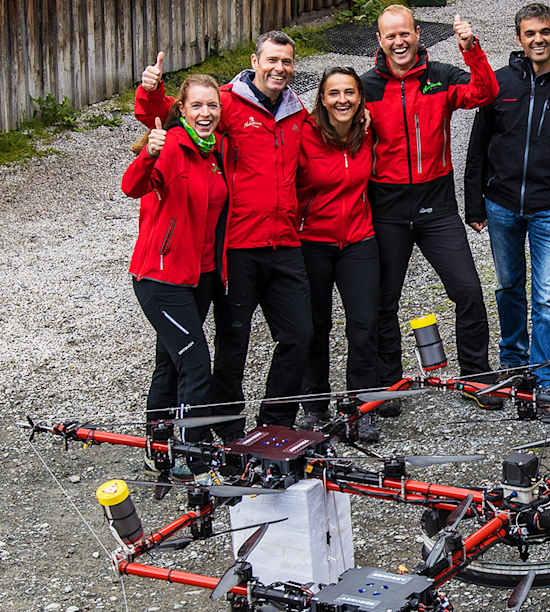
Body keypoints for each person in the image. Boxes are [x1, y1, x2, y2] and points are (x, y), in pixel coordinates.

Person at [137, 32, 313, 438]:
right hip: (237, 247)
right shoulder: (228, 101)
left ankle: (276, 424)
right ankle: (228, 427)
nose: (279, 68)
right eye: (272, 60)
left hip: (284, 242)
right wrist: (151, 91)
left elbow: (307, 161)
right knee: (234, 342)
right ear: (255, 60)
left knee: (300, 335)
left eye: (287, 61)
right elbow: (170, 114)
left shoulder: (295, 109)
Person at [464, 3, 550, 402]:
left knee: (547, 296)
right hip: (502, 204)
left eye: (544, 32)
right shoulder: (499, 83)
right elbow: (477, 147)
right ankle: (513, 362)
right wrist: (474, 204)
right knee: (509, 286)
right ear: (519, 39)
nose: (538, 40)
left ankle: (546, 377)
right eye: (530, 34)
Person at [361, 5, 499, 408]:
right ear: (380, 41)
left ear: (418, 33)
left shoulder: (439, 77)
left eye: (405, 33)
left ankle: (476, 375)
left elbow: (484, 93)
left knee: (469, 291)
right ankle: (389, 384)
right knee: (384, 301)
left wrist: (471, 49)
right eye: (391, 36)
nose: (399, 42)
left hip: (436, 205)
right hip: (386, 207)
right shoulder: (366, 86)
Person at [123, 74, 228, 477]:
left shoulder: (215, 152)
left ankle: (158, 445)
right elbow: (130, 187)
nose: (205, 113)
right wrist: (149, 153)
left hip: (199, 277)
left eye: (212, 105)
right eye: (197, 105)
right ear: (181, 110)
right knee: (196, 362)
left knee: (169, 360)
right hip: (160, 278)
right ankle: (193, 452)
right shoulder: (169, 145)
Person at [295, 67, 381, 441]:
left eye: (349, 92)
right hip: (313, 241)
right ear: (322, 99)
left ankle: (359, 407)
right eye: (334, 93)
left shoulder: (366, 130)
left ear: (360, 97)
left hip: (359, 240)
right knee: (316, 327)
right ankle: (315, 407)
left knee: (363, 326)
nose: (342, 100)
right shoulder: (306, 134)